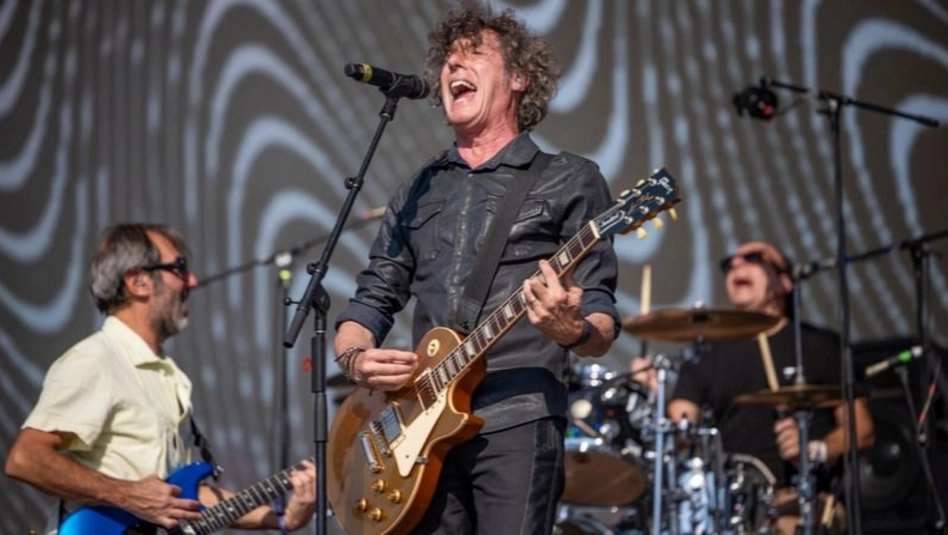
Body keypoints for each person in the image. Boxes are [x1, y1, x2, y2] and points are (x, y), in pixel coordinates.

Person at [332, 5, 620, 535]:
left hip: (519, 416)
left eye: (474, 54)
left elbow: (600, 316)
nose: (452, 66)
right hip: (421, 430)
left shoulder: (569, 179)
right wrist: (354, 359)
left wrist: (573, 330)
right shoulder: (418, 190)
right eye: (448, 59)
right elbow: (371, 299)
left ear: (518, 78)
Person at [5, 223, 316, 533]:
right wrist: (127, 494)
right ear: (138, 282)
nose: (192, 281)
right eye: (179, 268)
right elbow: (26, 458)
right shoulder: (97, 359)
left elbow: (182, 497)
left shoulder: (166, 373)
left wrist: (281, 518)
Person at [635, 241, 874, 533]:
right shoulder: (706, 355)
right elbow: (682, 432)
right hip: (729, 506)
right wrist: (653, 396)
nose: (736, 265)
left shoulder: (817, 345)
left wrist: (817, 450)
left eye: (753, 258)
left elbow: (862, 429)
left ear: (785, 282)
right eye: (729, 263)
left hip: (803, 501)